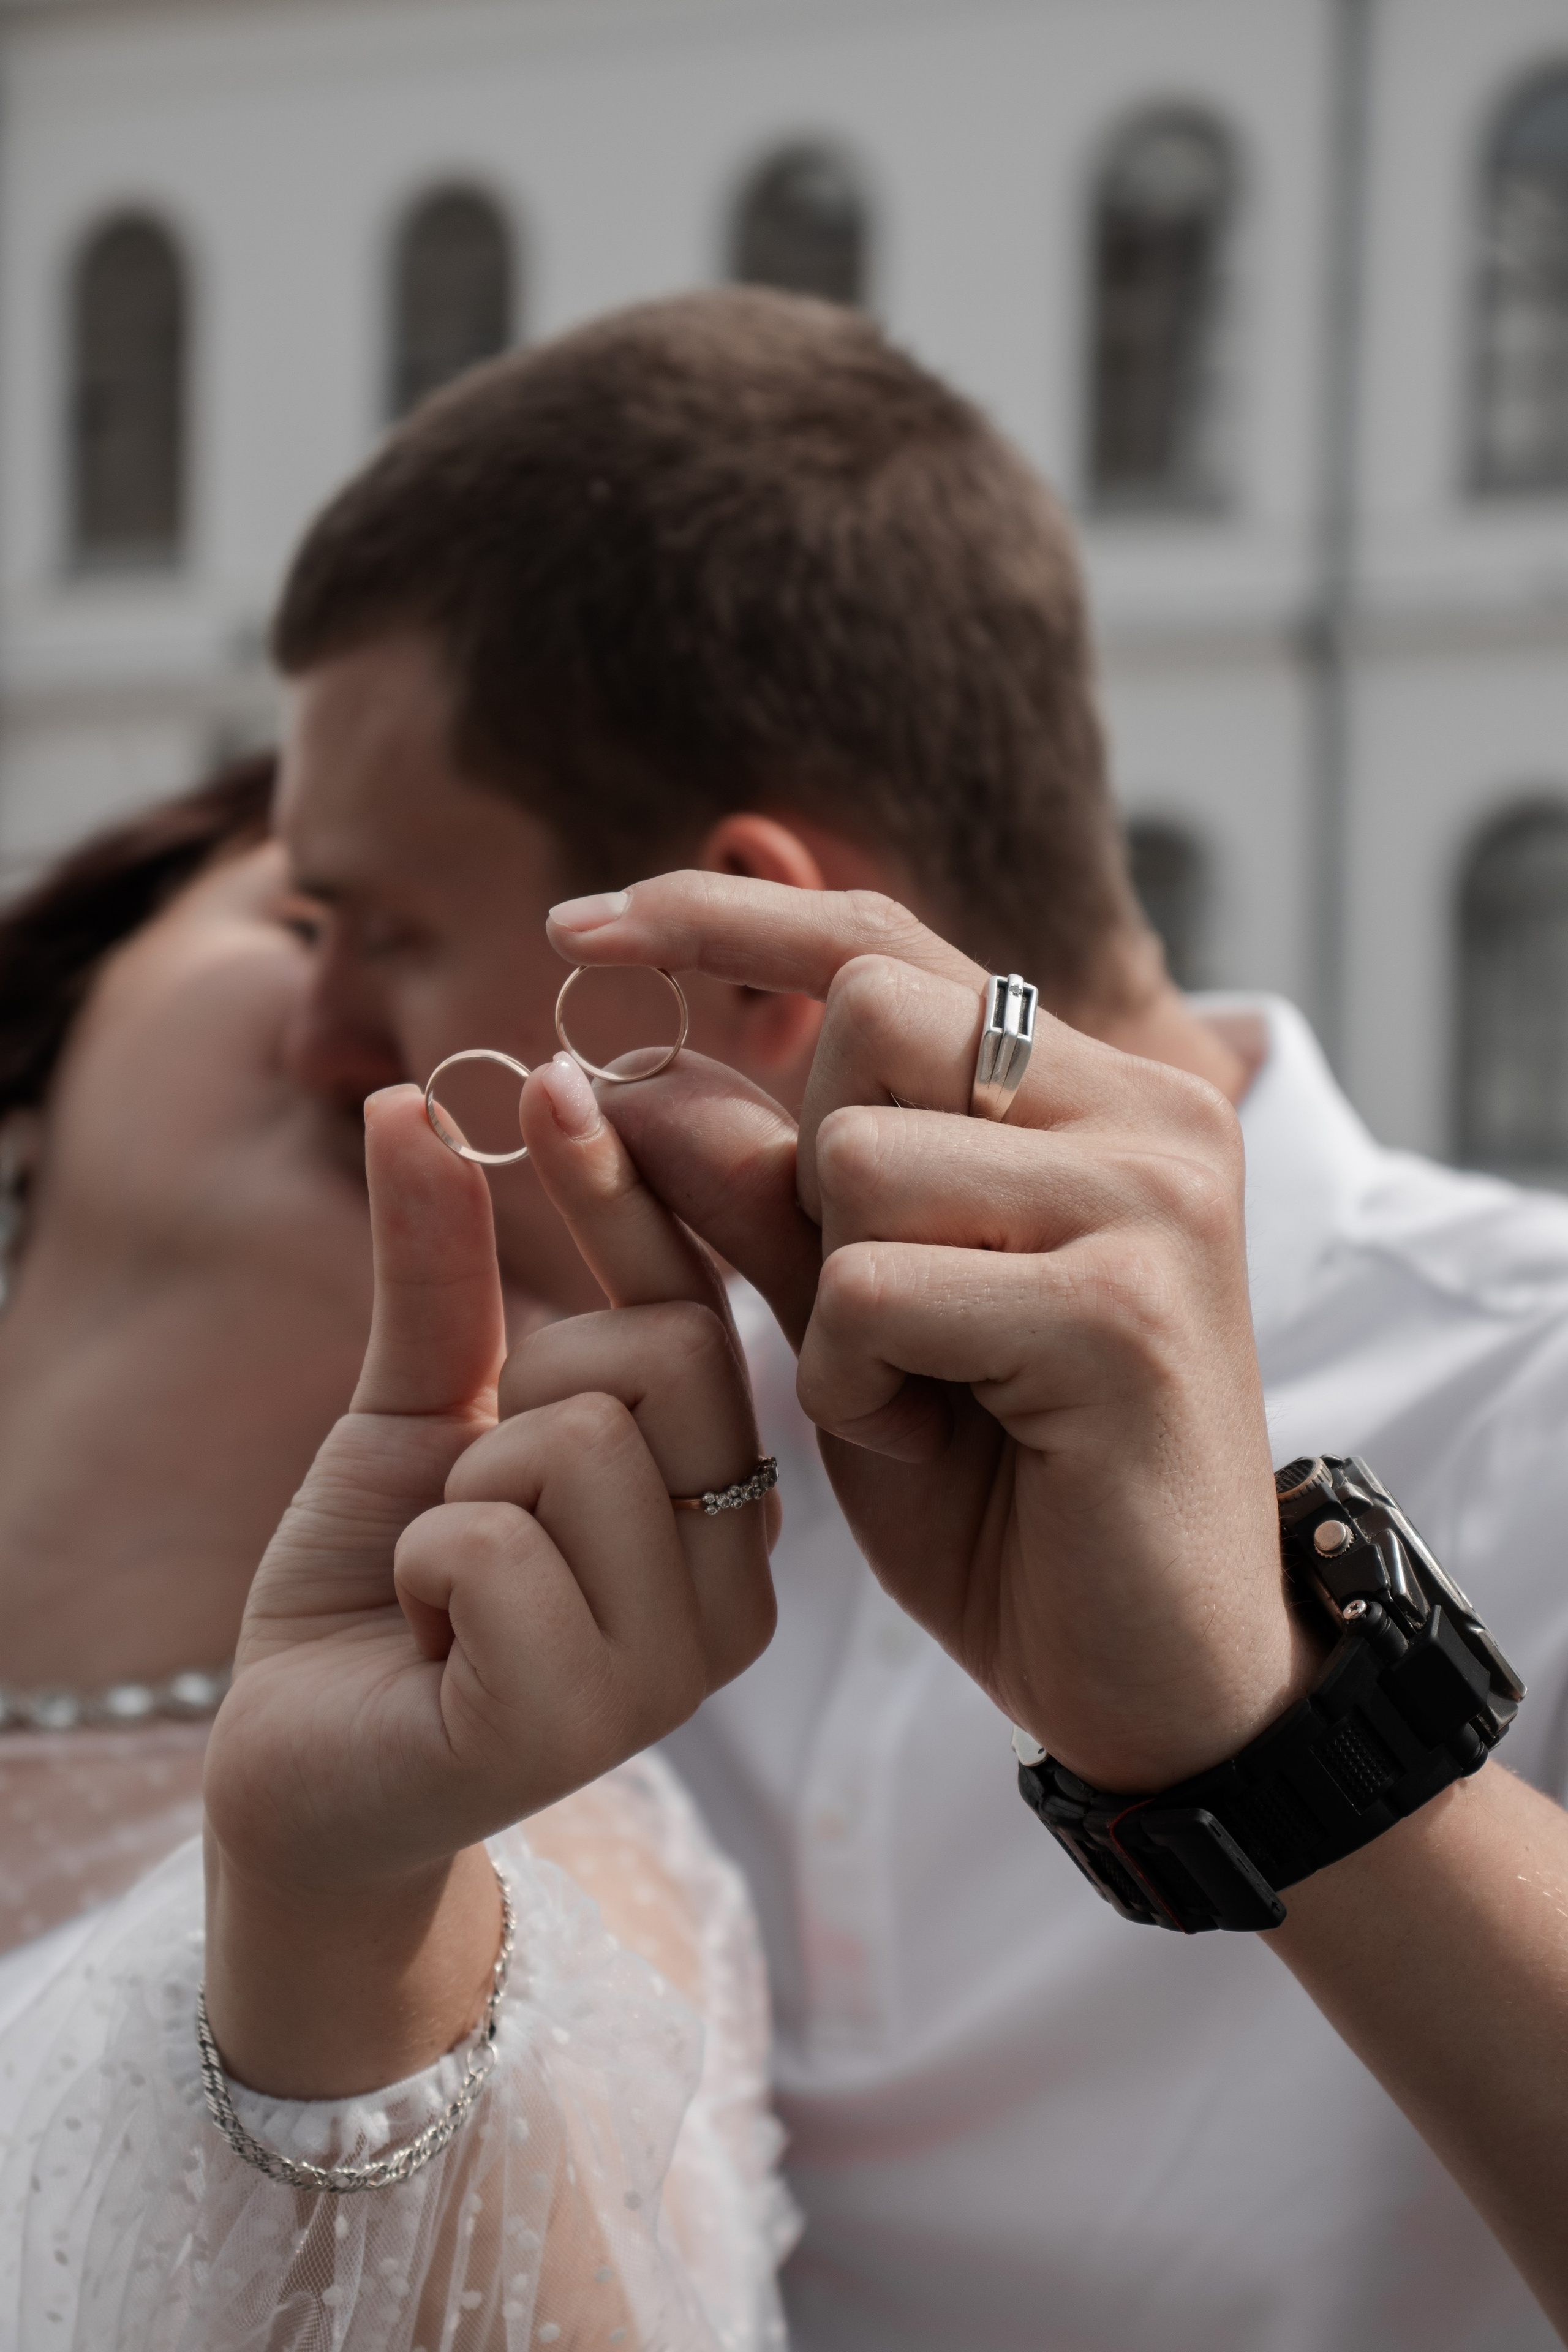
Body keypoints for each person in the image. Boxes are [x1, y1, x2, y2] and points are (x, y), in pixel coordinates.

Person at [266, 285, 1568, 2349]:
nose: (317, 1041)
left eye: (389, 937)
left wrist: (1280, 1732)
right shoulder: (552, 1486)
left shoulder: (1544, 1394)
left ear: (731, 951)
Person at [0, 772, 794, 2348]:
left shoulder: (513, 1881)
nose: (430, 1040)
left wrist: (340, 1934)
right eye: (312, 919)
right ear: (37, 1062)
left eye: (596, 1027)